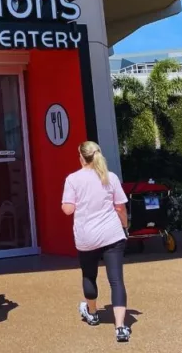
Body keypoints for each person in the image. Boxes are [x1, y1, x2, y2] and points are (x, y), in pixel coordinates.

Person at [61, 141, 131, 343]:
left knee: (89, 276)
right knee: (116, 280)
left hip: (86, 237)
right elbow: (120, 208)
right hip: (112, 234)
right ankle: (120, 327)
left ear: (82, 157)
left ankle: (92, 313)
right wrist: (125, 227)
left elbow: (68, 209)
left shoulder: (73, 179)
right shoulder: (110, 177)